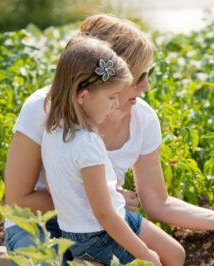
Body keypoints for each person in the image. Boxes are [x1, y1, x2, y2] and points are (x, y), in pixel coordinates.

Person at [4, 14, 214, 265]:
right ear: (99, 81)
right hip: (38, 223)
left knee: (172, 256)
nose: (146, 85)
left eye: (150, 72)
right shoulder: (44, 108)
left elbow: (157, 202)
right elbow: (17, 200)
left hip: (103, 221)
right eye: (139, 76)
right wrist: (98, 197)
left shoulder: (143, 119)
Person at [41, 34, 169, 265]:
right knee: (158, 259)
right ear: (83, 96)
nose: (115, 104)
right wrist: (146, 255)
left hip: (74, 229)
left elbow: (60, 187)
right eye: (111, 97)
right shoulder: (88, 143)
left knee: (174, 252)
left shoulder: (55, 129)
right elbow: (104, 214)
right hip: (96, 234)